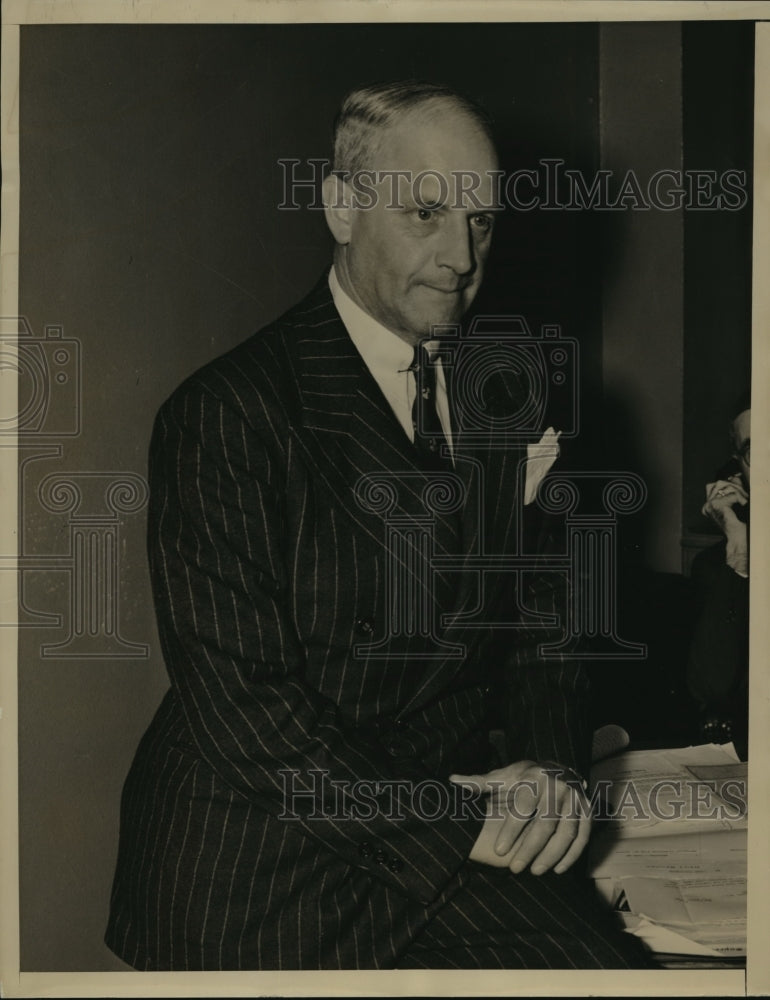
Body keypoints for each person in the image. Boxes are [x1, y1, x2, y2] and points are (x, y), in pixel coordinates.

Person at [105, 81, 651, 970]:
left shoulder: (509, 384)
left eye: (482, 220)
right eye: (427, 213)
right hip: (262, 855)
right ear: (343, 209)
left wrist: (551, 772)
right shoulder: (228, 412)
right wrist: (458, 819)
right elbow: (247, 712)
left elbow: (548, 623)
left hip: (450, 823)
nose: (461, 255)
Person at [687, 397, 750, 759]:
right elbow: (713, 691)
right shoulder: (718, 566)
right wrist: (738, 551)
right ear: (737, 468)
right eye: (755, 451)